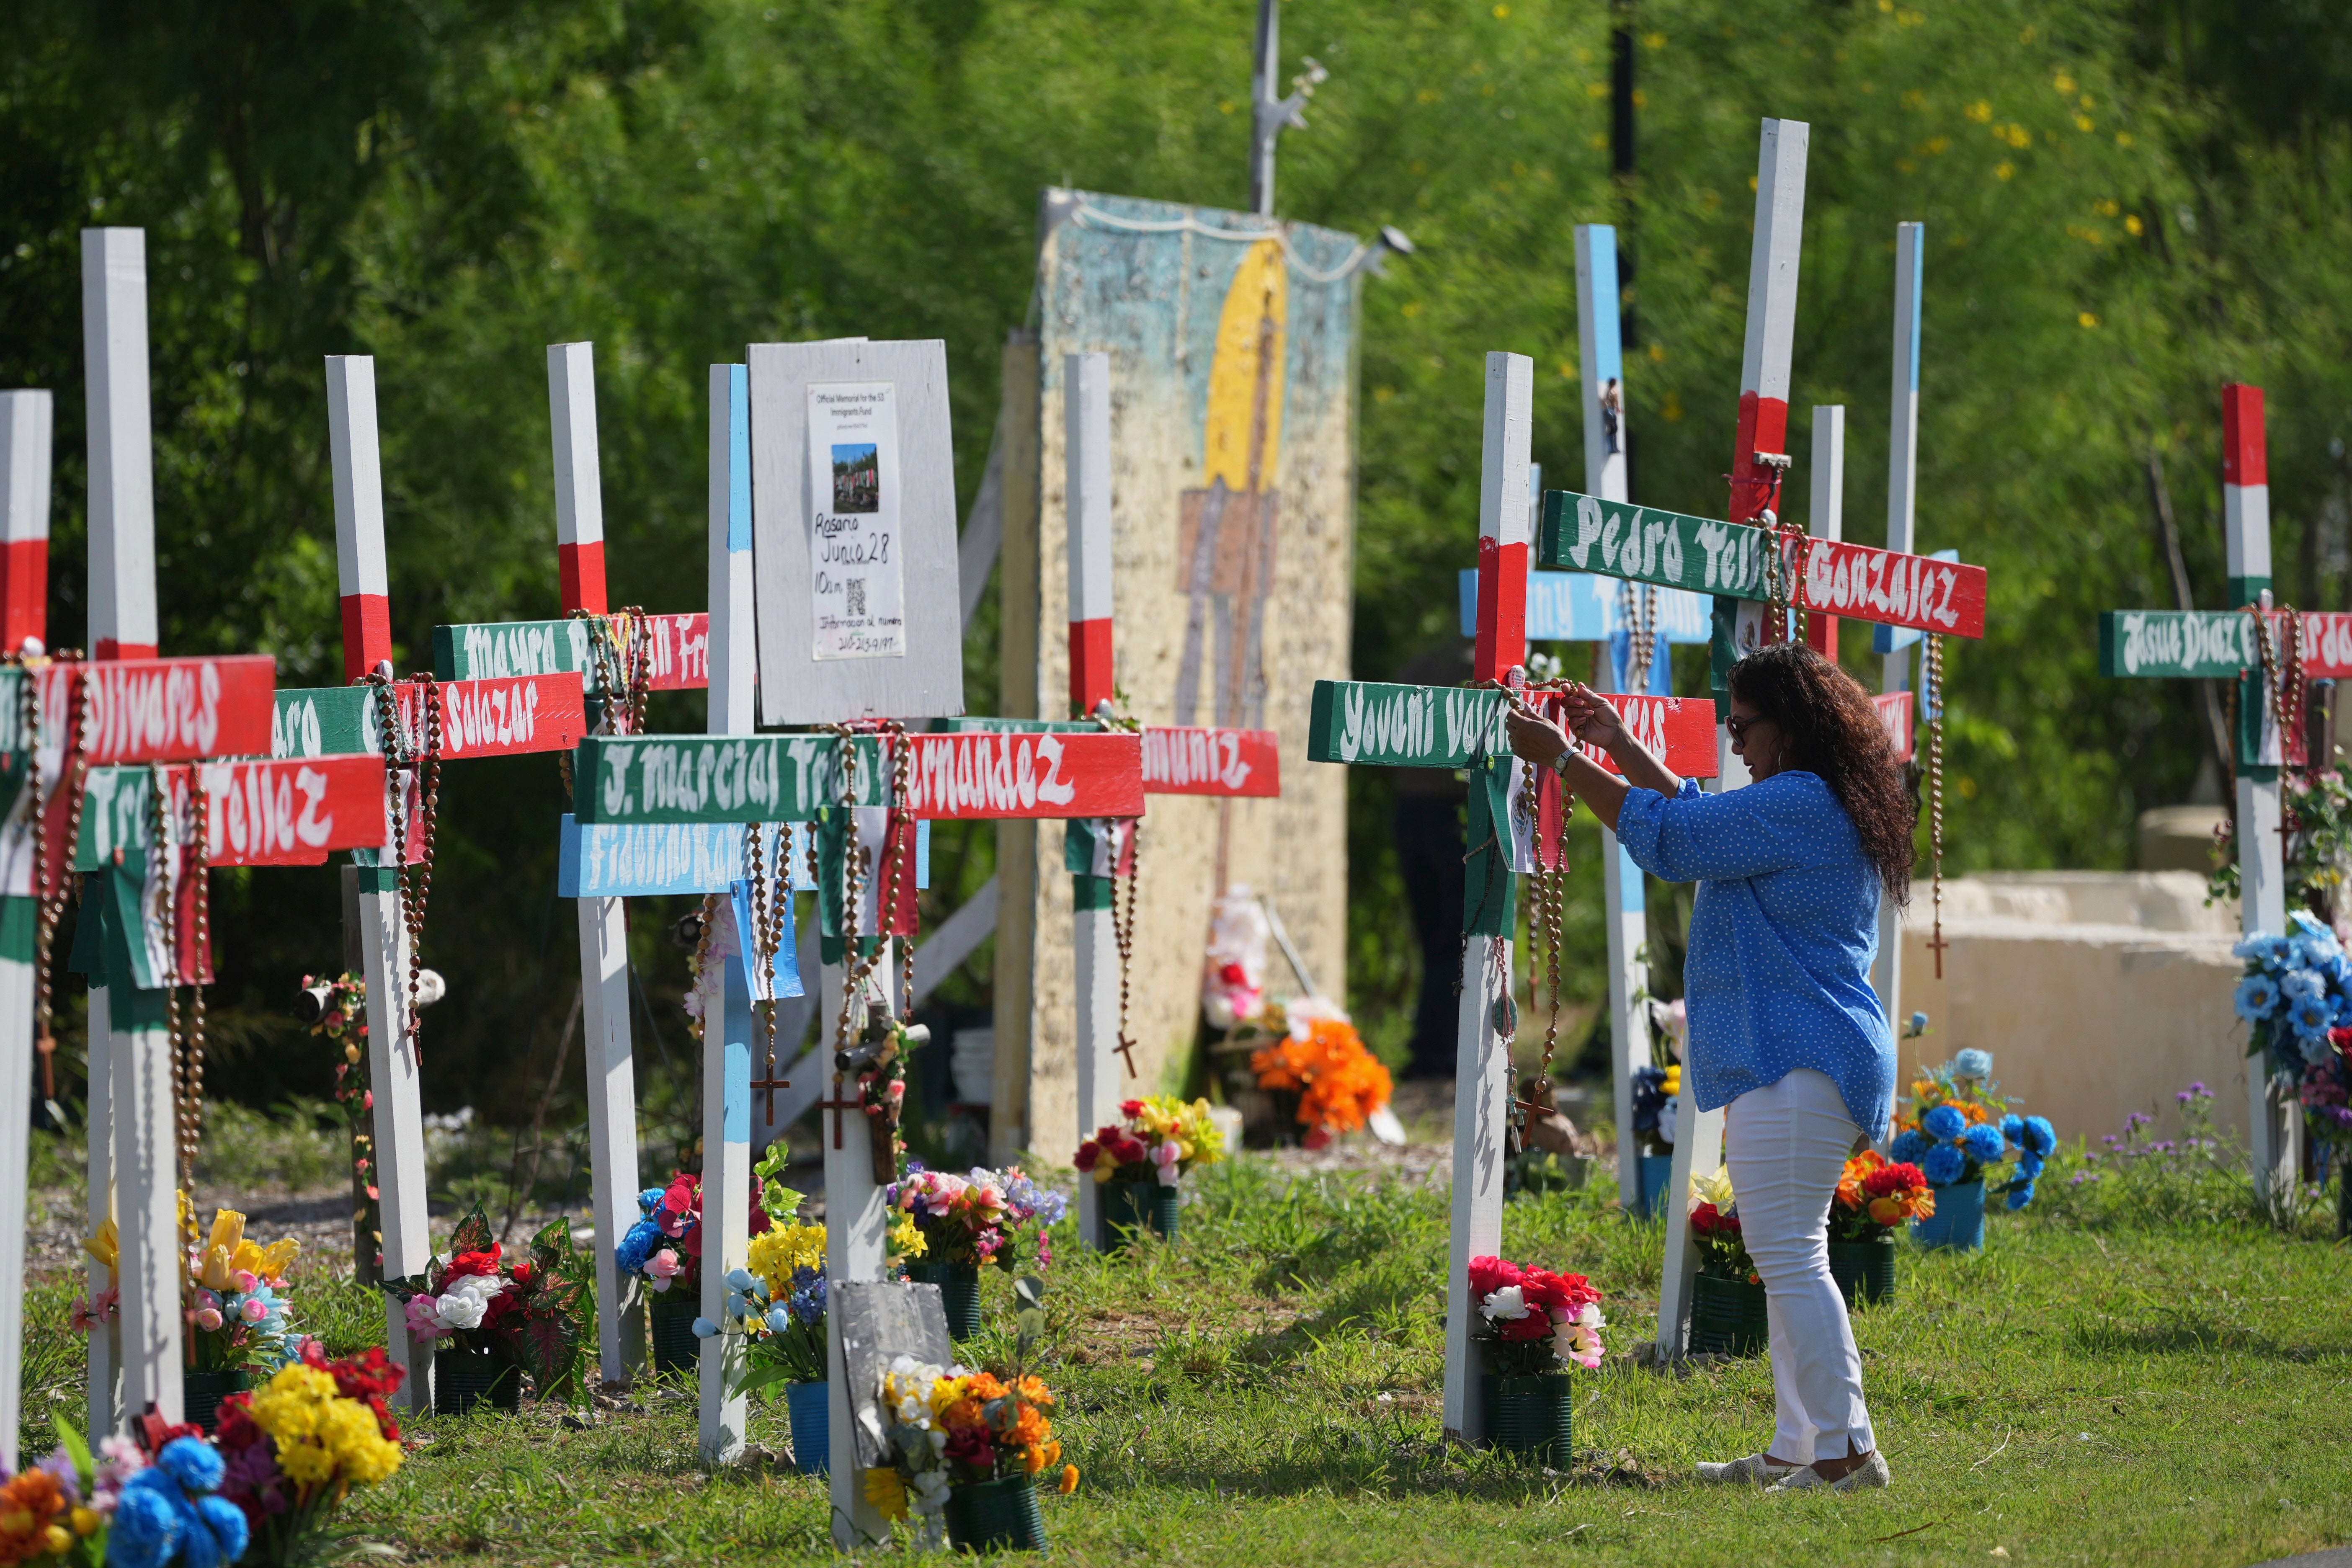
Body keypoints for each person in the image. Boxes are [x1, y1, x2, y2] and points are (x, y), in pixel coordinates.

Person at [1504, 642, 1914, 1493]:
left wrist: (1566, 760)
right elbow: (1693, 817)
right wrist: (1618, 741)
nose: (1736, 740)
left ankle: (1847, 1452)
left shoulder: (1798, 801)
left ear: (1792, 726)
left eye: (1746, 723)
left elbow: (1676, 843)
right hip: (1803, 1054)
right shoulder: (1808, 798)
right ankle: (1799, 1448)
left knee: (1791, 1255)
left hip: (1801, 1054)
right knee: (1784, 1254)